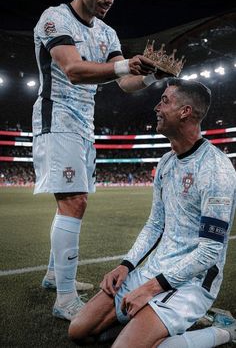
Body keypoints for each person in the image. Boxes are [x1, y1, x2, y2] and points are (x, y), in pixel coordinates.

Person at [32, 0, 167, 321]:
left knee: (71, 203)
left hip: (83, 127)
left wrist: (154, 74)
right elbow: (73, 69)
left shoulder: (107, 32)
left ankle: (51, 275)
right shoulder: (54, 18)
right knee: (74, 203)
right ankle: (64, 299)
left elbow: (124, 83)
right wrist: (123, 64)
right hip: (56, 121)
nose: (108, 0)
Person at [68, 78, 236, 347]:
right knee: (79, 331)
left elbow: (209, 252)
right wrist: (126, 265)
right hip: (156, 269)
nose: (157, 107)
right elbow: (155, 224)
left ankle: (224, 331)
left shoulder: (216, 169)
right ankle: (151, 331)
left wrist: (149, 288)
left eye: (165, 101)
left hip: (192, 281)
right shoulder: (167, 162)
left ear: (185, 112)